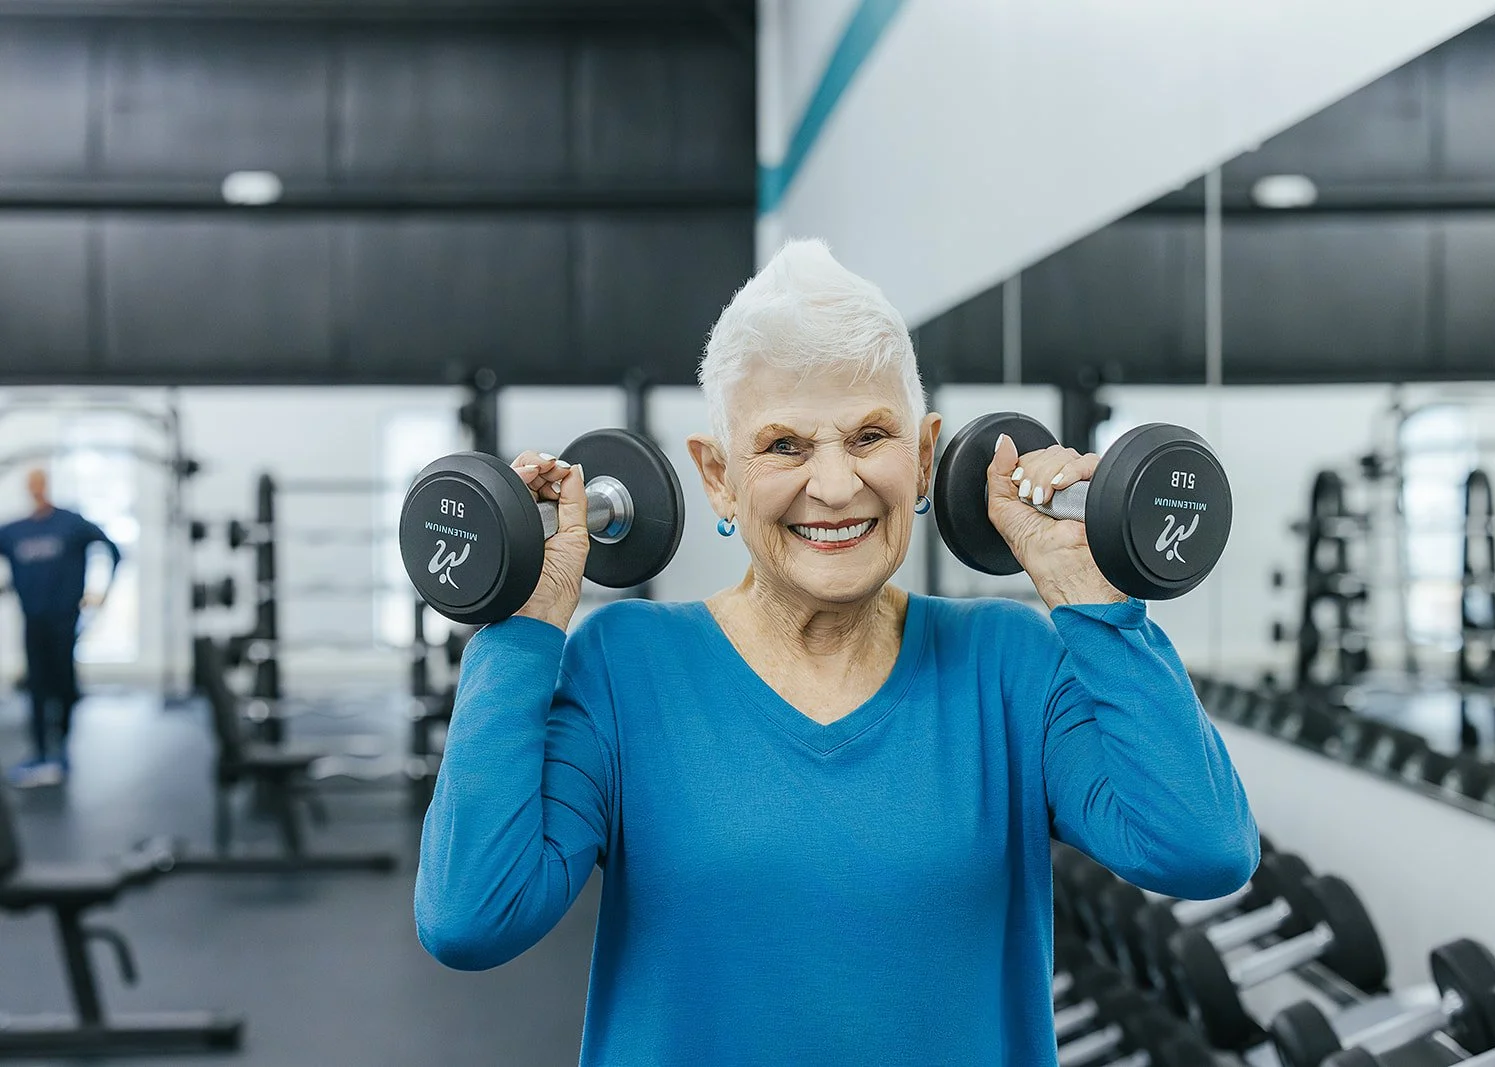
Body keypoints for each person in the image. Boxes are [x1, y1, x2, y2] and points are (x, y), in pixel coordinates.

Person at [414, 240, 1257, 1064]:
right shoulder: (623, 667)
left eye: (868, 436)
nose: (835, 486)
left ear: (925, 457)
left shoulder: (1008, 664)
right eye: (784, 445)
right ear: (718, 476)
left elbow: (1202, 846)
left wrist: (1092, 597)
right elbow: (471, 917)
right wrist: (521, 624)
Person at [0, 468, 121, 787]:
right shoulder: (14, 531)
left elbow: (114, 550)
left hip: (63, 620)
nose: (37, 489)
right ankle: (41, 753)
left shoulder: (71, 525)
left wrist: (103, 593)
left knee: (64, 685)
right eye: (31, 484)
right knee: (36, 686)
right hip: (33, 620)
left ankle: (61, 750)